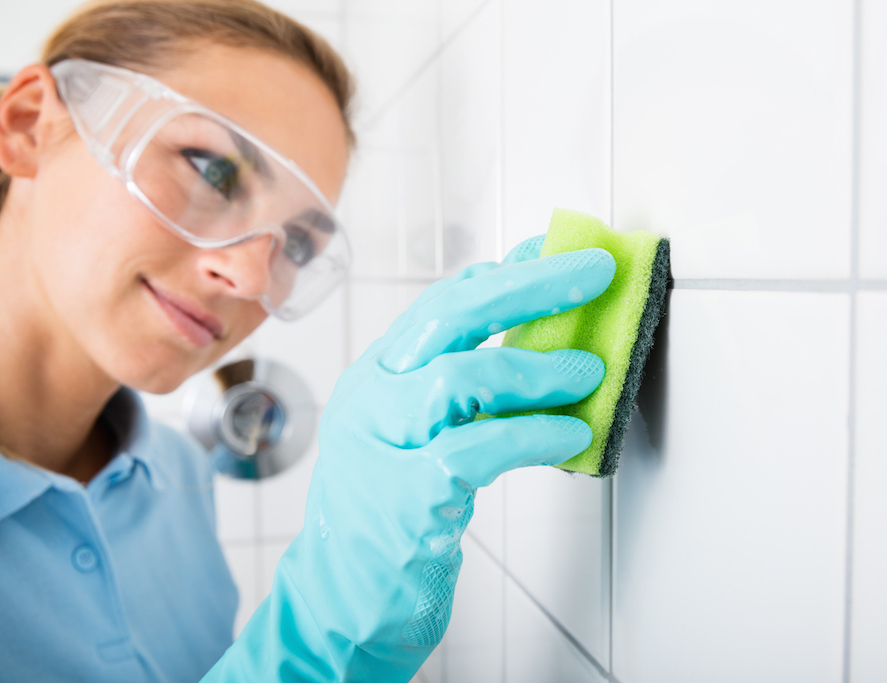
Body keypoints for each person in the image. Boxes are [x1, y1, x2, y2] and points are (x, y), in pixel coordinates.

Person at [0, 0, 615, 680]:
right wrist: (327, 621)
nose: (248, 276)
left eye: (296, 242)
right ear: (28, 125)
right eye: (210, 169)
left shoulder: (177, 475)